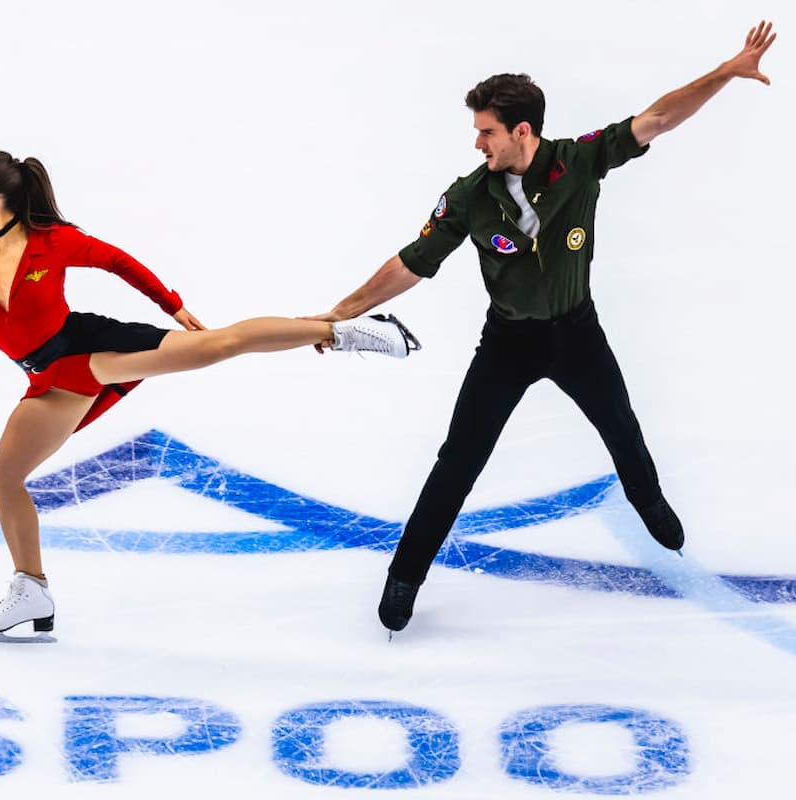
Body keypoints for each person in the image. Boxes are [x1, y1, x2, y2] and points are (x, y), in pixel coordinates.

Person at [309, 21, 777, 634]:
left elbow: (658, 118)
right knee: (457, 462)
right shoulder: (469, 196)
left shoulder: (579, 161)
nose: (478, 144)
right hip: (507, 343)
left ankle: (647, 501)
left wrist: (725, 72)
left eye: (487, 132)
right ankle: (405, 575)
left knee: (623, 430)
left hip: (577, 334)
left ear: (522, 131)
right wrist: (340, 312)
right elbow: (410, 264)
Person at [0, 151, 421, 640]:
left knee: (218, 344)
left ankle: (346, 332)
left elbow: (120, 263)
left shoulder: (54, 243)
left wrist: (173, 307)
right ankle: (31, 590)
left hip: (86, 350)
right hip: (49, 376)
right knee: (3, 476)